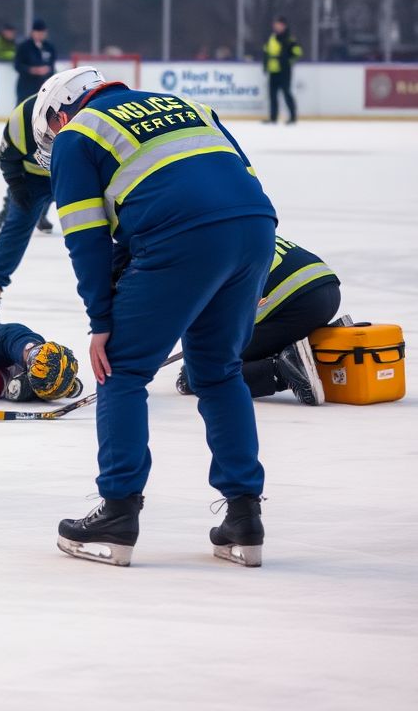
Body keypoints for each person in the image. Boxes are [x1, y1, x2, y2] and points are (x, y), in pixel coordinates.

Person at [33, 67, 277, 567]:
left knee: (121, 371)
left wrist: (101, 322)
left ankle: (118, 513)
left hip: (178, 238)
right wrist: (255, 274)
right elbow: (243, 185)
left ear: (61, 113)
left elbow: (85, 238)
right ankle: (243, 518)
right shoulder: (189, 106)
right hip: (255, 234)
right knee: (219, 371)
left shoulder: (76, 136)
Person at [175, 236, 341, 406]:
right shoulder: (230, 231)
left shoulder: (190, 258)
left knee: (202, 371)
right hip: (327, 289)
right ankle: (316, 351)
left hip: (297, 304)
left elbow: (202, 320)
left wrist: (193, 364)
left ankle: (283, 370)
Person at [0, 85, 93, 299]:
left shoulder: (87, 117)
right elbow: (8, 160)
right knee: (18, 222)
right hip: (31, 179)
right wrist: (16, 187)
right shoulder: (21, 120)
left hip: (72, 174)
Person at [263, 16, 302, 124]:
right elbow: (266, 52)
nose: (276, 26)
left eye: (278, 24)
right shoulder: (272, 37)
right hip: (273, 70)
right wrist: (265, 65)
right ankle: (273, 117)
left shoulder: (289, 38)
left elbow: (297, 52)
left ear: (284, 25)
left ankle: (293, 117)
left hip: (284, 70)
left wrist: (286, 59)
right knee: (272, 95)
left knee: (286, 93)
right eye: (275, 24)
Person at [14, 18, 56, 103]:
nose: (40, 35)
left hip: (43, 86)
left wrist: (47, 70)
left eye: (42, 33)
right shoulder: (24, 47)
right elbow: (17, 65)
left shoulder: (49, 48)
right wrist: (32, 70)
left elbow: (52, 66)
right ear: (33, 33)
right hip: (26, 87)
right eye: (38, 33)